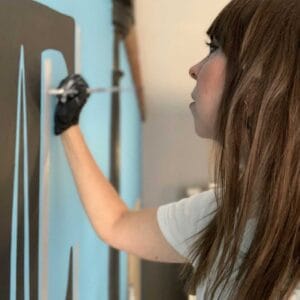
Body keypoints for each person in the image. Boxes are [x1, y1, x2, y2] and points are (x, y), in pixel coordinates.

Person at [53, 0, 300, 299]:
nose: (194, 69)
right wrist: (69, 127)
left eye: (214, 48)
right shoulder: (225, 210)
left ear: (257, 83)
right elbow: (116, 224)